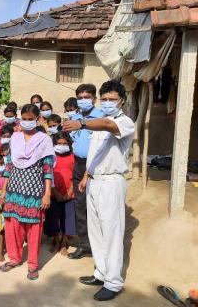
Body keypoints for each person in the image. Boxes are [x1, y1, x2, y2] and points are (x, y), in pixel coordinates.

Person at [62, 80, 134, 302]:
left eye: (112, 99)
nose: (108, 103)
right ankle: (101, 273)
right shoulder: (96, 123)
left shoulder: (124, 122)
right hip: (94, 180)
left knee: (111, 233)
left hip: (111, 182)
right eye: (105, 99)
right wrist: (86, 176)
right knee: (96, 231)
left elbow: (110, 127)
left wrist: (82, 124)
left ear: (122, 100)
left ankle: (113, 283)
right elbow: (94, 152)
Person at [0, 103, 53, 281]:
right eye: (25, 119)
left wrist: (47, 194)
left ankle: (32, 265)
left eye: (31, 119)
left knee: (34, 229)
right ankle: (14, 258)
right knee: (12, 226)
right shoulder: (15, 138)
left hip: (34, 191)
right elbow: (8, 165)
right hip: (14, 189)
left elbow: (47, 169)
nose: (27, 122)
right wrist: (4, 190)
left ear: (37, 120)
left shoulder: (44, 140)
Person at [67, 83, 105, 260]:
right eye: (80, 97)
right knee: (80, 206)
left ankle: (101, 245)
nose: (83, 100)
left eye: (87, 97)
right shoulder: (73, 117)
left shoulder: (100, 117)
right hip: (78, 164)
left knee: (97, 206)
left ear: (94, 99)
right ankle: (85, 245)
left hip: (95, 165)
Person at [44, 132, 76, 256]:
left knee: (67, 219)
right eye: (59, 143)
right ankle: (56, 241)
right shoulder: (50, 157)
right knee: (53, 219)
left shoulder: (73, 157)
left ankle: (64, 243)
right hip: (52, 194)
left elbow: (75, 175)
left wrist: (70, 191)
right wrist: (54, 192)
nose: (62, 146)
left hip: (69, 194)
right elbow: (47, 176)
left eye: (65, 143)